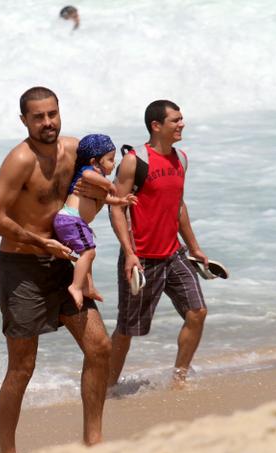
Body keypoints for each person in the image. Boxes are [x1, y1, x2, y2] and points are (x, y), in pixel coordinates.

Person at [0, 86, 113, 453]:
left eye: (52, 114)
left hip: (64, 265)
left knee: (99, 347)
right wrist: (40, 243)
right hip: (22, 269)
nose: (48, 123)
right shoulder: (19, 160)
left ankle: (94, 440)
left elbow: (98, 190)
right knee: (22, 367)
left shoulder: (74, 151)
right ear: (24, 120)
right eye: (38, 117)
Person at [108, 100, 208, 388]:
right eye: (175, 120)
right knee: (127, 330)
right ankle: (108, 387)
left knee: (197, 312)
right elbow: (116, 208)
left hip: (174, 254)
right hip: (142, 258)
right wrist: (129, 253)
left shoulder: (181, 159)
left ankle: (179, 376)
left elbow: (178, 206)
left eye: (181, 119)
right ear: (156, 125)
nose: (181, 124)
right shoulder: (135, 161)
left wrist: (194, 247)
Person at [53, 134, 138, 309]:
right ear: (94, 161)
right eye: (110, 159)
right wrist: (108, 184)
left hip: (74, 221)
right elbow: (88, 176)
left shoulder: (96, 176)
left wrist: (120, 201)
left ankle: (88, 286)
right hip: (71, 219)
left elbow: (104, 198)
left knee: (87, 253)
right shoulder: (89, 171)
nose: (113, 163)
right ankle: (75, 286)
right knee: (89, 253)